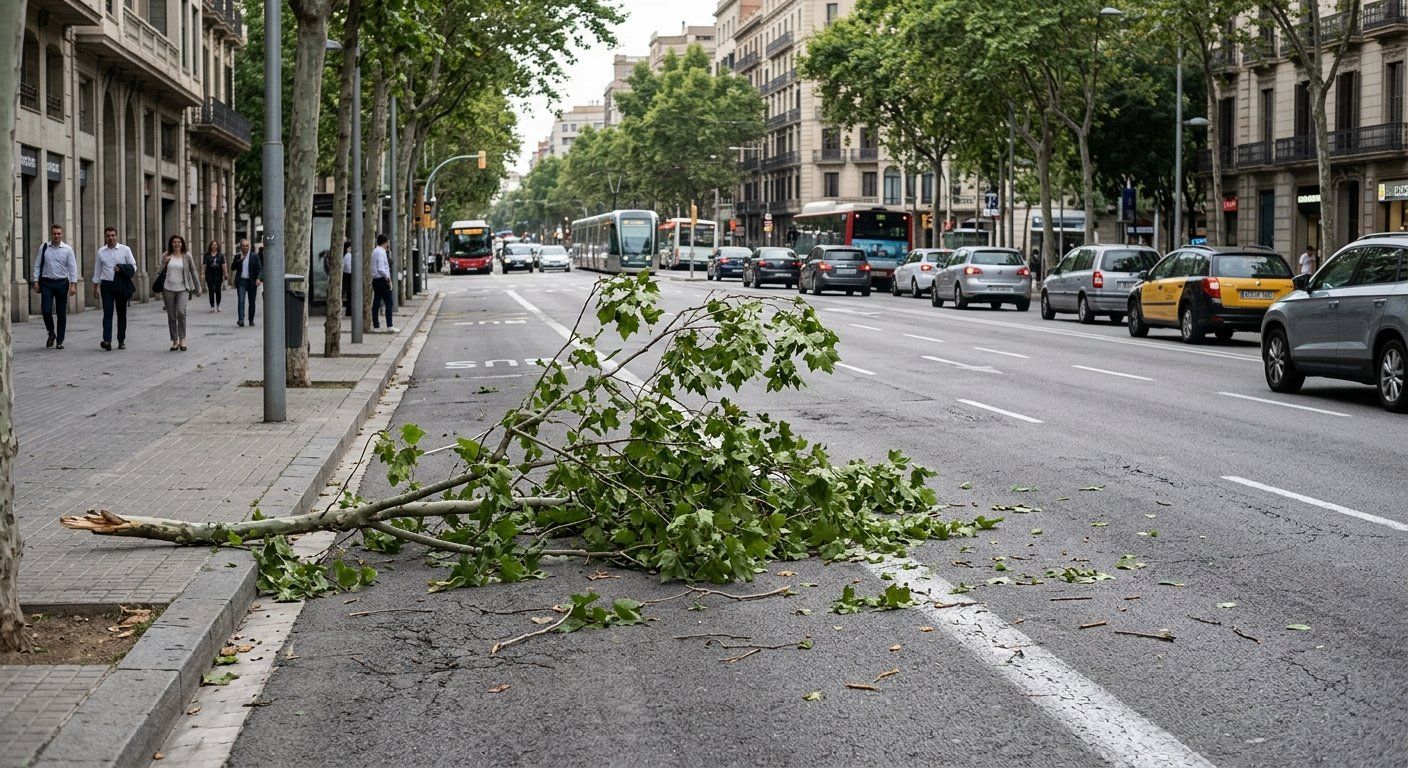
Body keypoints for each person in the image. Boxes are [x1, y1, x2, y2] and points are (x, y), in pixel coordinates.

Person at [31, 224, 79, 350]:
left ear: (61, 234)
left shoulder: (67, 249)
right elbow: (37, 265)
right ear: (51, 234)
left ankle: (60, 340)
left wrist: (73, 285)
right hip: (46, 283)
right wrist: (35, 281)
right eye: (54, 233)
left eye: (59, 233)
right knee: (46, 309)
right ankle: (51, 332)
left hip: (62, 283)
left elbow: (73, 268)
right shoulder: (44, 247)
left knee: (61, 312)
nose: (56, 236)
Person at [92, 226, 137, 351]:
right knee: (107, 313)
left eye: (113, 235)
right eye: (108, 236)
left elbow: (133, 266)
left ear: (116, 236)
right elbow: (97, 270)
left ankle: (121, 340)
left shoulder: (125, 250)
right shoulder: (101, 252)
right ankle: (107, 340)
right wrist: (95, 287)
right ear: (105, 237)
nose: (110, 238)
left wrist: (122, 268)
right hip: (106, 285)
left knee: (121, 313)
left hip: (120, 285)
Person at [160, 235, 201, 351]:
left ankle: (182, 339)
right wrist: (164, 263)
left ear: (182, 244)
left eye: (179, 242)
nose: (176, 244)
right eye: (174, 242)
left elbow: (193, 270)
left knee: (181, 312)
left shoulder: (187, 255)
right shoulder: (166, 255)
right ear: (171, 244)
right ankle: (174, 341)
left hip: (183, 288)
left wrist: (197, 287)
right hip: (168, 289)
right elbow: (159, 271)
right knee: (172, 315)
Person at [231, 238, 261, 327]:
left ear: (249, 247)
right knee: (241, 300)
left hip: (252, 282)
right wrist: (239, 260)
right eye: (243, 246)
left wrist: (259, 278)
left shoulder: (254, 256)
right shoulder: (237, 256)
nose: (245, 247)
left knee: (252, 302)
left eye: (247, 246)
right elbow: (233, 267)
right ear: (240, 247)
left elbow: (259, 268)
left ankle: (251, 320)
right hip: (241, 282)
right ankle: (241, 319)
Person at [371, 234, 395, 332]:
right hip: (382, 279)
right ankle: (389, 326)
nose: (388, 244)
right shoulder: (381, 252)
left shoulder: (374, 251)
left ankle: (376, 326)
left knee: (376, 302)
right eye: (387, 242)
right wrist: (388, 279)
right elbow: (381, 268)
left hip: (375, 280)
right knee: (389, 302)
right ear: (385, 242)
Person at [202, 239, 228, 312]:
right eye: (213, 245)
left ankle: (218, 305)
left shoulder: (220, 255)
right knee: (211, 290)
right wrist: (203, 274)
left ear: (217, 246)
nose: (214, 246)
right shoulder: (207, 255)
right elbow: (204, 265)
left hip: (218, 274)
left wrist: (226, 273)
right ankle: (212, 306)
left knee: (217, 290)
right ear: (210, 246)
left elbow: (223, 265)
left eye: (215, 245)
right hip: (209, 274)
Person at [341, 240, 353, 316]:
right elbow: (348, 267)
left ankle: (348, 311)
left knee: (347, 293)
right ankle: (349, 311)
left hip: (345, 275)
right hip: (349, 275)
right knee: (350, 294)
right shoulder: (348, 255)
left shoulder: (345, 255)